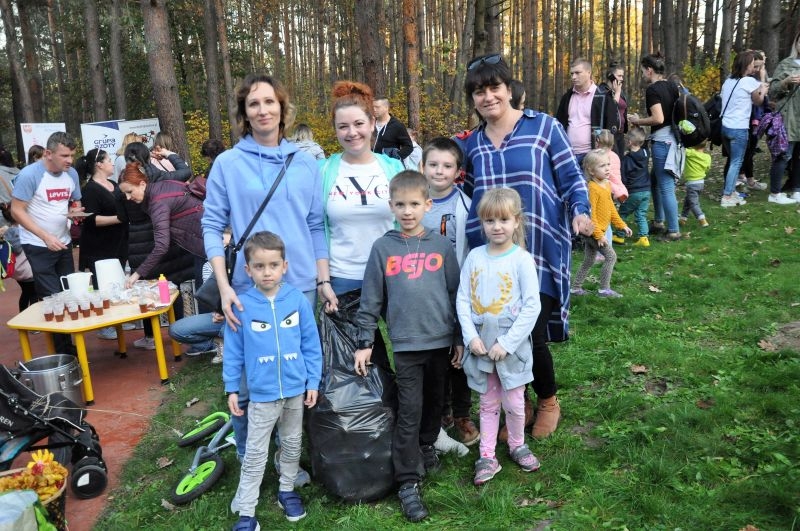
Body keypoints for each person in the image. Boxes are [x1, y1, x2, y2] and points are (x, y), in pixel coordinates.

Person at [460, 53, 594, 439]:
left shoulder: (544, 128)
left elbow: (571, 177)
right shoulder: (473, 145)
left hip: (540, 250)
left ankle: (548, 400)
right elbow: (466, 195)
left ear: (508, 89)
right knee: (500, 334)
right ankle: (520, 402)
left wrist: (580, 211)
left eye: (494, 88)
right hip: (493, 259)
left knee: (531, 333)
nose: (488, 97)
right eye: (479, 92)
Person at [202, 73, 332, 464]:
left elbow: (315, 224)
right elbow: (211, 226)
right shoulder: (228, 163)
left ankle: (287, 453)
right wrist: (224, 286)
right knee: (247, 379)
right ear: (244, 112)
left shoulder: (305, 162)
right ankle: (249, 455)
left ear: (282, 108)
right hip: (247, 286)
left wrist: (322, 278)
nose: (263, 110)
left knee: (292, 372)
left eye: (269, 102)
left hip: (299, 284)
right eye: (254, 103)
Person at [353, 171, 460, 523]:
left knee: (435, 401)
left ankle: (428, 444)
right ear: (391, 206)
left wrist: (459, 337)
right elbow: (370, 299)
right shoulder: (383, 248)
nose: (408, 211)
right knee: (410, 409)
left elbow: (455, 294)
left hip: (440, 342)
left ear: (427, 205)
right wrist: (364, 341)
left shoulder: (441, 246)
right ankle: (407, 481)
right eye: (400, 204)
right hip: (406, 346)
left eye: (414, 204)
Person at [225, 231, 322, 528]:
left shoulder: (297, 300)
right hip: (262, 394)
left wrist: (312, 382)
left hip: (295, 390)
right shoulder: (241, 306)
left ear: (284, 266)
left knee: (292, 443)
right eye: (259, 266)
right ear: (248, 270)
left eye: (273, 265)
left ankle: (287, 490)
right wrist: (231, 387)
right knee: (255, 453)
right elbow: (233, 352)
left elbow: (311, 344)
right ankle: (247, 511)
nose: (267, 272)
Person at [456, 188, 542, 485]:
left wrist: (507, 343)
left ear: (516, 221)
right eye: (490, 220)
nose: (497, 227)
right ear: (482, 223)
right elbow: (463, 300)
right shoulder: (475, 257)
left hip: (511, 348)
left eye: (503, 220)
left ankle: (517, 445)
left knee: (515, 402)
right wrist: (471, 338)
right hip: (482, 344)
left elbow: (532, 306)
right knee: (488, 402)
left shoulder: (522, 260)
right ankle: (487, 455)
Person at [320, 81, 404, 303]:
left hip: (391, 274)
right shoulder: (323, 171)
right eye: (343, 126)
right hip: (342, 277)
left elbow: (410, 219)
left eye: (359, 123)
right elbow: (316, 227)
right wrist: (323, 280)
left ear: (372, 123)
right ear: (335, 129)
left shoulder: (394, 168)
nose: (352, 133)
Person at [420, 136, 478, 446]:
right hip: (424, 294)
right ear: (422, 167)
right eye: (433, 164)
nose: (439, 171)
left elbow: (470, 251)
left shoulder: (466, 206)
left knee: (460, 355)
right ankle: (440, 410)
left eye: (447, 166)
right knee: (435, 355)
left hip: (457, 293)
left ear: (458, 171)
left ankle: (462, 413)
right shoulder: (415, 204)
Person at [10, 132, 82, 354]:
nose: (70, 160)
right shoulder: (29, 175)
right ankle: (64, 353)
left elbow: (75, 202)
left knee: (67, 293)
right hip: (37, 244)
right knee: (52, 297)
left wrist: (76, 213)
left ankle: (68, 345)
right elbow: (16, 211)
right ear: (48, 154)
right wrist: (44, 236)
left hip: (63, 241)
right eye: (64, 156)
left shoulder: (72, 173)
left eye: (72, 155)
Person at [124, 140, 194, 350]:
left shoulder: (130, 182)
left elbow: (122, 213)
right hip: (165, 238)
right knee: (172, 286)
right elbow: (185, 171)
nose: (129, 196)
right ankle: (179, 333)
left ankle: (151, 336)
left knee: (145, 289)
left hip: (143, 240)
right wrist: (169, 153)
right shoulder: (159, 176)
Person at [118, 161, 206, 287]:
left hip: (206, 243)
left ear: (142, 184)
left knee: (206, 294)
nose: (127, 198)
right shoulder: (160, 186)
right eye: (125, 194)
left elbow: (161, 246)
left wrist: (137, 274)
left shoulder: (157, 203)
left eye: (130, 191)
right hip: (205, 239)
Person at [75, 148, 129, 340]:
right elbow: (92, 220)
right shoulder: (89, 190)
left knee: (118, 280)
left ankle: (119, 318)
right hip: (99, 245)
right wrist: (119, 219)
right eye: (109, 160)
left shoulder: (113, 184)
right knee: (102, 285)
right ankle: (105, 324)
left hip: (119, 242)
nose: (112, 163)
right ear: (99, 164)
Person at [628, 52, 682, 241]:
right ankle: (659, 222)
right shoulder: (672, 86)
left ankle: (673, 230)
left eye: (643, 71)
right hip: (673, 139)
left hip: (662, 142)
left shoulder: (653, 90)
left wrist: (638, 121)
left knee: (666, 186)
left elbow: (658, 118)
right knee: (655, 181)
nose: (643, 74)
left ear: (649, 70)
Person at [571, 149, 631, 298]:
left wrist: (622, 225)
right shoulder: (592, 188)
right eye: (602, 166)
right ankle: (604, 289)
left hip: (599, 232)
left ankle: (575, 288)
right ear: (591, 170)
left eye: (608, 164)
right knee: (611, 257)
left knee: (589, 260)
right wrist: (599, 236)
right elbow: (591, 215)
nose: (607, 168)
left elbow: (611, 208)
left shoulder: (607, 184)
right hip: (593, 231)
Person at [719, 50, 768, 208]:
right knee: (736, 162)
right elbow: (758, 101)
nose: (754, 67)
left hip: (725, 127)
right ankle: (727, 196)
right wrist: (762, 86)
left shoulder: (728, 81)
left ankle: (731, 192)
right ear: (746, 65)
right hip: (739, 128)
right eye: (753, 64)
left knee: (733, 161)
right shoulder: (748, 81)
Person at [555, 57, 619, 162]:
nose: (573, 77)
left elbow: (611, 128)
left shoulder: (603, 97)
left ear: (589, 73)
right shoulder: (567, 97)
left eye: (577, 73)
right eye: (572, 74)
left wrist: (604, 154)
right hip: (568, 155)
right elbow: (559, 125)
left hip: (594, 156)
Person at [768, 31, 800, 203]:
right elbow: (772, 92)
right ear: (796, 44)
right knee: (784, 155)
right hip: (789, 117)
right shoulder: (785, 64)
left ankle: (797, 190)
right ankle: (775, 193)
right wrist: (786, 82)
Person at [616, 126, 652, 247]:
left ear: (630, 142)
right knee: (641, 214)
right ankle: (644, 237)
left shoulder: (626, 160)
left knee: (622, 213)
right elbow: (645, 144)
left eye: (627, 139)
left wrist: (622, 190)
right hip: (646, 191)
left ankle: (619, 235)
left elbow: (624, 178)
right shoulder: (646, 153)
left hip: (634, 191)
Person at [0, 204, 36, 311]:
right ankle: (33, 316)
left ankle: (22, 314)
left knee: (25, 292)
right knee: (34, 294)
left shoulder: (6, 232)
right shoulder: (25, 231)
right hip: (29, 270)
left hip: (16, 270)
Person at [680, 141, 711, 227]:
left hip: (692, 184)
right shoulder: (707, 157)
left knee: (693, 203)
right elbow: (707, 168)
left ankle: (702, 219)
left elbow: (680, 148)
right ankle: (683, 219)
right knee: (688, 201)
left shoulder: (690, 153)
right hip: (701, 183)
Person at [372, 95, 413, 161]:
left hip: (387, 165)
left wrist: (396, 158)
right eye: (373, 107)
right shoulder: (370, 123)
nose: (374, 110)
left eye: (377, 107)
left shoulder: (397, 126)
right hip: (368, 164)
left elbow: (409, 147)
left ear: (386, 107)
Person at [601, 62, 629, 156]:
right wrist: (617, 93)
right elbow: (610, 109)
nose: (622, 79)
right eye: (619, 76)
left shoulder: (621, 93)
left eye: (622, 76)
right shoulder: (602, 92)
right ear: (611, 76)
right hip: (609, 134)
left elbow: (621, 110)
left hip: (620, 134)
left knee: (620, 160)